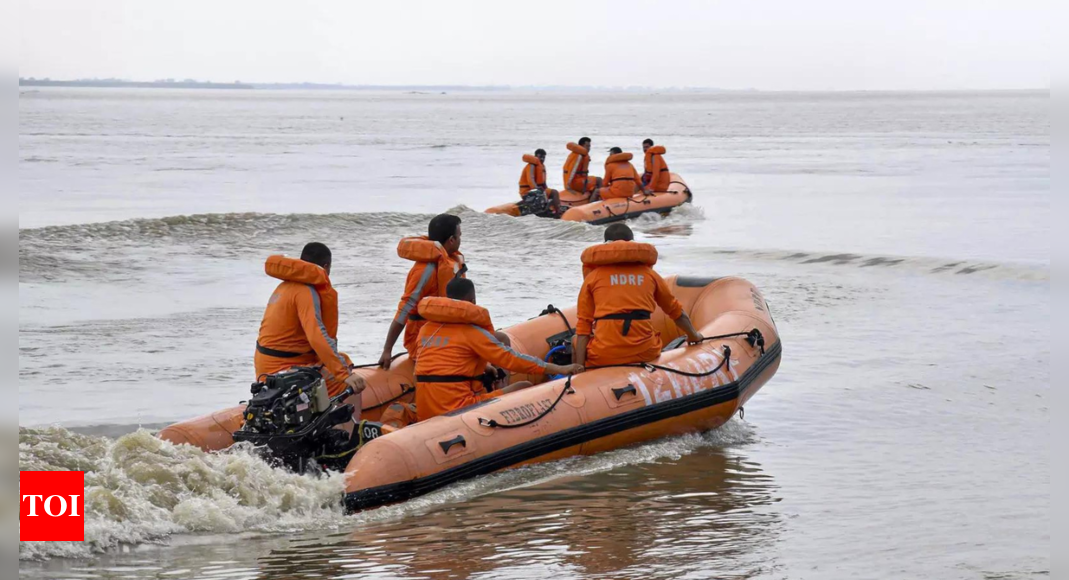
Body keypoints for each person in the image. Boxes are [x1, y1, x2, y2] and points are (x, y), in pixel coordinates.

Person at [413, 278, 583, 422]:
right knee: (525, 385)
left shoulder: (426, 329)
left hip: (426, 410)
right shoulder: (472, 333)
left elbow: (446, 361)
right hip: (459, 408)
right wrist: (560, 368)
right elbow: (512, 359)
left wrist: (485, 367)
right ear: (472, 302)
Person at [574, 224, 703, 367]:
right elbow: (676, 312)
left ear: (605, 245)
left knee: (574, 339)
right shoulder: (650, 275)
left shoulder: (593, 278)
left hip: (604, 356)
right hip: (645, 352)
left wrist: (579, 367)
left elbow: (583, 326)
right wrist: (694, 336)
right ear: (632, 244)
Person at [255, 243, 367, 397]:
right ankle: (352, 421)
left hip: (264, 366)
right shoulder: (306, 292)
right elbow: (317, 335)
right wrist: (344, 375)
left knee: (343, 359)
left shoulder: (283, 286)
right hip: (284, 369)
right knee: (346, 382)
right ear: (326, 267)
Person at [378, 214, 466, 370]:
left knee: (497, 342)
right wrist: (387, 350)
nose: (461, 239)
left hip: (449, 331)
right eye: (459, 235)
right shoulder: (425, 272)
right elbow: (405, 309)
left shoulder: (451, 263)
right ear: (451, 240)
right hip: (423, 338)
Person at [518, 149, 562, 214]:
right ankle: (559, 213)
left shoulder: (542, 166)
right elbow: (531, 180)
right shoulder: (531, 165)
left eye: (543, 157)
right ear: (535, 156)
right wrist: (537, 189)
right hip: (527, 192)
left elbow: (543, 183)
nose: (542, 159)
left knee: (552, 194)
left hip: (537, 191)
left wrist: (545, 190)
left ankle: (550, 209)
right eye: (540, 157)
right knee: (555, 193)